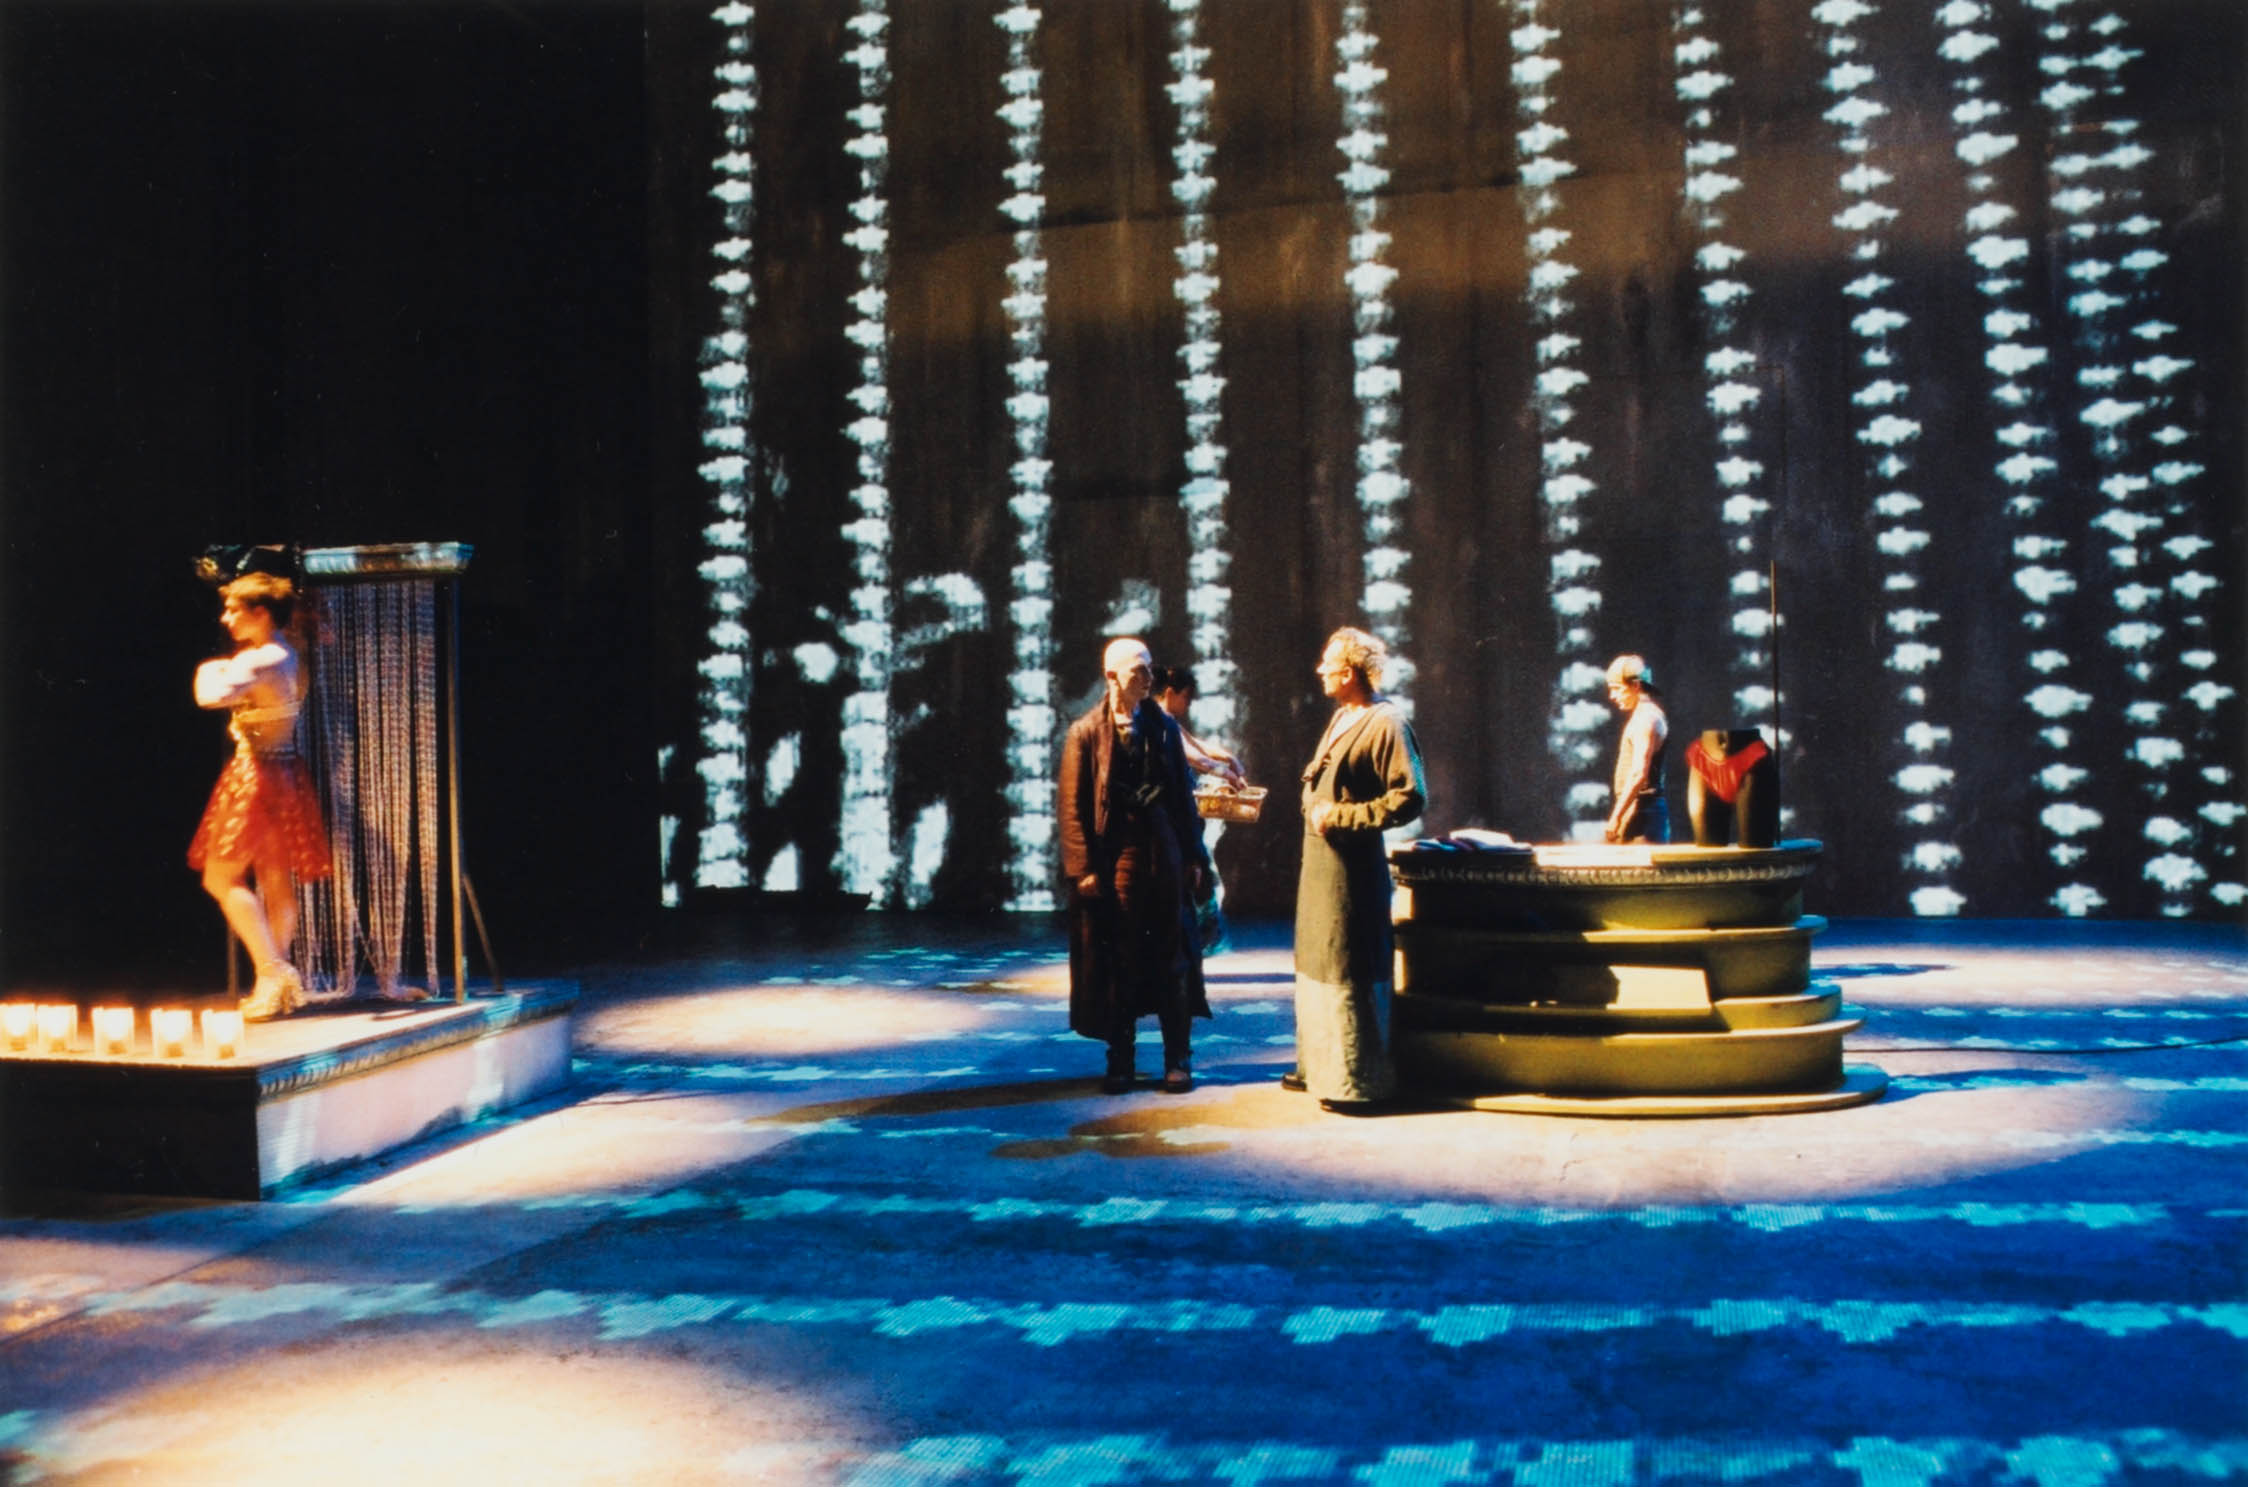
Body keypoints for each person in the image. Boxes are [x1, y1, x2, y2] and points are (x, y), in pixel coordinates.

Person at [1057, 638, 1213, 1093]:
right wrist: (1083, 868)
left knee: (1173, 956)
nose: (1148, 679)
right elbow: (1072, 806)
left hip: (1163, 851)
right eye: (1137, 672)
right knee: (1119, 958)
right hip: (1117, 856)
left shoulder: (1162, 726)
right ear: (1112, 676)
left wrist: (1193, 856)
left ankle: (1177, 1058)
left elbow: (1182, 796)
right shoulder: (1086, 732)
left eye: (1149, 670)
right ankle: (1121, 1059)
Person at [187, 572, 331, 1020]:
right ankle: (276, 980)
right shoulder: (288, 650)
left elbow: (209, 697)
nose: (225, 617)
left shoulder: (261, 659)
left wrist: (208, 668)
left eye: (234, 610)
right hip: (284, 770)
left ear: (261, 613)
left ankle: (272, 971)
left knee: (220, 878)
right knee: (274, 881)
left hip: (258, 775)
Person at [1293, 626, 1425, 1111]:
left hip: (1350, 871)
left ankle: (1354, 1078)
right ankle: (1320, 1068)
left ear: (1349, 673)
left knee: (1347, 960)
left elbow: (1409, 796)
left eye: (1328, 665)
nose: (1320, 671)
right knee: (1320, 958)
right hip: (1321, 866)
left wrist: (1344, 817)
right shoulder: (1342, 717)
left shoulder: (1386, 723)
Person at [1153, 665, 1241, 954]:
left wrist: (1229, 759)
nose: (1188, 704)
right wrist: (1225, 772)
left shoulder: (1168, 721)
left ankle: (1193, 944)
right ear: (1170, 693)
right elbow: (1193, 756)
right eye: (1186, 697)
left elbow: (1195, 745)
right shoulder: (1156, 720)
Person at [1602, 653, 1669, 843]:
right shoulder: (1643, 717)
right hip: (1638, 812)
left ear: (1636, 686)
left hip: (1643, 815)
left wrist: (1616, 816)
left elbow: (1639, 773)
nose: (1612, 696)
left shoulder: (1646, 719)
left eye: (1617, 688)